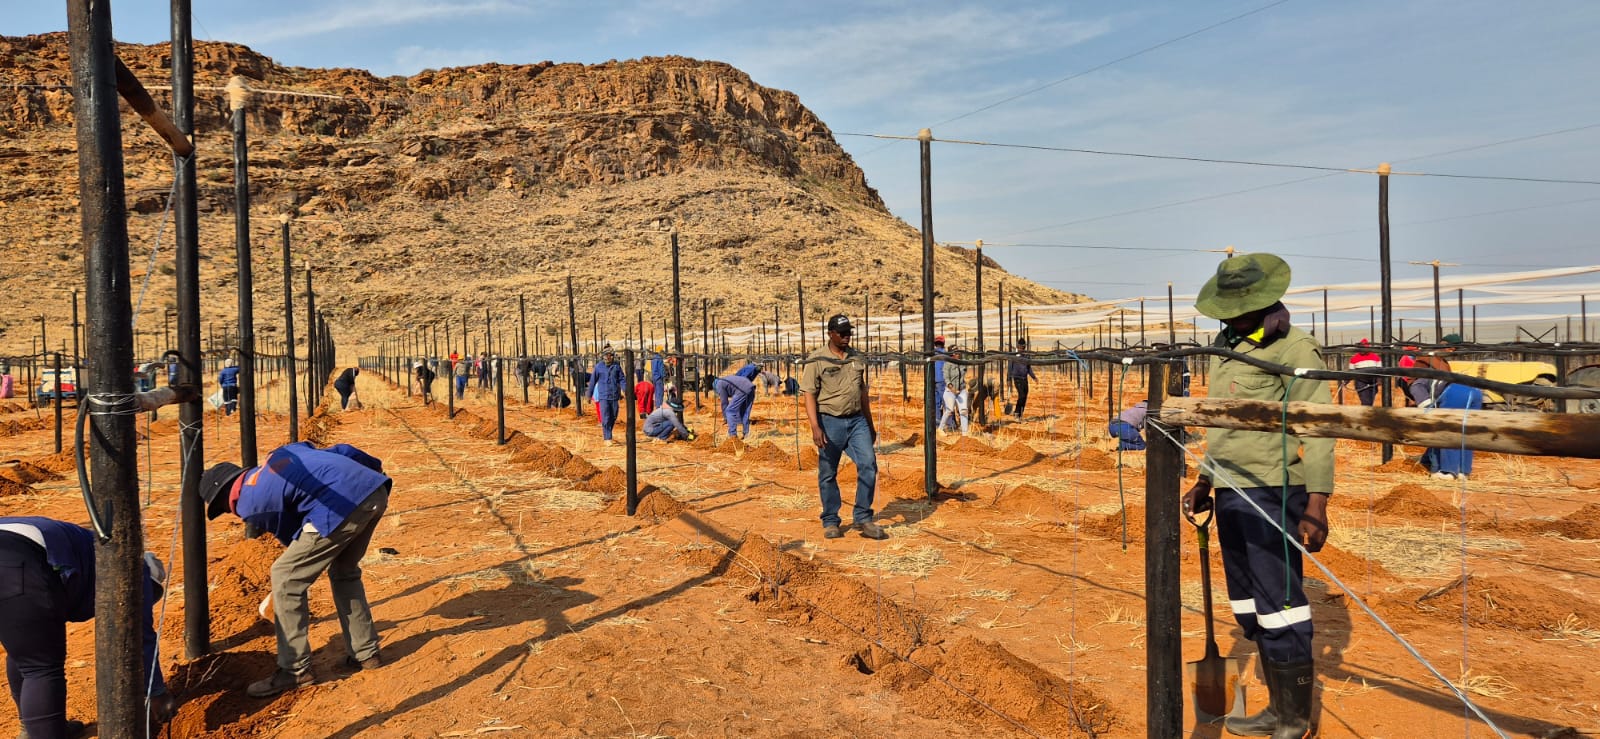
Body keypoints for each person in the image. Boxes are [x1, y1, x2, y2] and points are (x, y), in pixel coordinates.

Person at [1182, 252, 1333, 739]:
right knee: (1249, 604)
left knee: (1282, 604)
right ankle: (1275, 707)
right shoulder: (1224, 345)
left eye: (1238, 305)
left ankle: (1293, 719)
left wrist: (1316, 504)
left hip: (1274, 489)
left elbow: (1320, 427)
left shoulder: (1295, 349)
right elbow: (1220, 421)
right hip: (1228, 487)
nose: (1228, 314)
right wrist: (1205, 479)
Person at [198, 442, 391, 698]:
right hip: (373, 488)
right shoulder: (278, 456)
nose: (231, 513)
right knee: (344, 571)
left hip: (343, 504)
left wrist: (290, 583)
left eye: (223, 509)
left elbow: (294, 539)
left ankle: (295, 671)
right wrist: (370, 473)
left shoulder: (249, 504)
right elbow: (344, 451)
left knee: (285, 576)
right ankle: (366, 654)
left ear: (225, 498)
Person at [0, 517, 174, 737]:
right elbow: (142, 637)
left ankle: (35, 728)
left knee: (25, 648)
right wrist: (157, 692)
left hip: (16, 550)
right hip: (18, 559)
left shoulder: (92, 548)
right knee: (40, 666)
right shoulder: (134, 571)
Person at [802, 315, 887, 541]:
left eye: (849, 331)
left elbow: (862, 392)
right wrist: (815, 426)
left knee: (868, 464)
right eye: (842, 332)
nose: (847, 335)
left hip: (856, 420)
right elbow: (809, 393)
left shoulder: (856, 357)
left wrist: (869, 423)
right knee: (828, 472)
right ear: (830, 333)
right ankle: (831, 520)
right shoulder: (816, 359)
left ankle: (863, 518)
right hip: (829, 421)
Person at [589, 347, 626, 445]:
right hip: (603, 396)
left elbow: (622, 379)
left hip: (614, 396)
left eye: (610, 355)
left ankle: (608, 432)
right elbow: (592, 381)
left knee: (613, 415)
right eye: (607, 355)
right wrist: (589, 395)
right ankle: (607, 437)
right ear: (604, 356)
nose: (608, 357)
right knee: (605, 417)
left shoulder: (616, 366)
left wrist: (625, 390)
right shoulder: (598, 367)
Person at [714, 367, 757, 439]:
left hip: (742, 389)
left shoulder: (719, 385)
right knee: (744, 412)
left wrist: (726, 418)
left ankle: (733, 435)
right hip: (750, 387)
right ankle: (746, 434)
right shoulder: (724, 381)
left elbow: (724, 402)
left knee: (729, 411)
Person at [940, 346, 970, 435]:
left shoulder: (962, 363)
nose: (958, 354)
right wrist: (952, 388)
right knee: (949, 410)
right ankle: (941, 428)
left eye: (959, 352)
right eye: (956, 353)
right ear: (952, 354)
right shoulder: (947, 364)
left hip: (961, 390)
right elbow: (946, 378)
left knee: (964, 410)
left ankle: (965, 433)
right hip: (950, 391)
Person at [1009, 338, 1038, 420]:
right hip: (1017, 378)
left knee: (1025, 396)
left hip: (1024, 379)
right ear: (1017, 347)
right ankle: (1016, 413)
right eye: (1020, 347)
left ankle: (1020, 415)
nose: (1021, 349)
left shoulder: (1026, 356)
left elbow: (1029, 368)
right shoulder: (1014, 356)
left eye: (1023, 347)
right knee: (1021, 395)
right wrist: (1008, 379)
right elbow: (1009, 368)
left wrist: (1034, 377)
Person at [1348, 339, 1381, 406]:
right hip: (1361, 382)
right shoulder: (1354, 359)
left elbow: (1380, 370)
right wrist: (1346, 380)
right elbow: (1351, 372)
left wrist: (1379, 379)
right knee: (1366, 402)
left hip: (1373, 382)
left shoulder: (1376, 357)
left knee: (1370, 402)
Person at [931, 335, 949, 430]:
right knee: (946, 402)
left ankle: (938, 422)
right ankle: (950, 424)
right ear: (943, 343)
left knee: (936, 403)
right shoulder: (945, 354)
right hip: (942, 380)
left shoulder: (932, 353)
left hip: (933, 381)